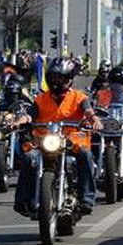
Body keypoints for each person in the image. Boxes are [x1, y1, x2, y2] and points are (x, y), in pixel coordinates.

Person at [13, 57, 103, 216]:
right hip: (44, 141)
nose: (56, 81)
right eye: (53, 78)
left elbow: (88, 111)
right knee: (28, 157)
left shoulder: (79, 97)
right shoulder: (41, 98)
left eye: (59, 78)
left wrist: (94, 120)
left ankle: (86, 199)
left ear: (69, 79)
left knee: (85, 155)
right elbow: (30, 115)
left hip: (72, 141)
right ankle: (23, 201)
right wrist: (20, 121)